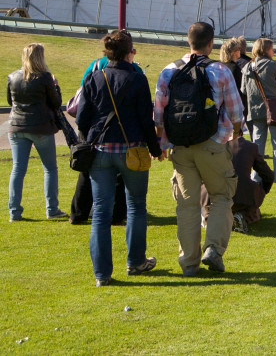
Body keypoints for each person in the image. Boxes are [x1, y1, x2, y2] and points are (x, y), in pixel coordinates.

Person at [154, 21, 243, 276]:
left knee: (187, 205)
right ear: (211, 43)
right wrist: (235, 135)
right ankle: (213, 249)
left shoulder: (169, 71)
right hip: (213, 143)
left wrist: (162, 144)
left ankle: (189, 263)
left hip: (180, 146)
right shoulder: (220, 70)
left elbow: (158, 115)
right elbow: (236, 112)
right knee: (222, 197)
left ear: (188, 41)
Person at [76, 30, 162, 286]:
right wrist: (155, 149)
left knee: (101, 212)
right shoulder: (137, 79)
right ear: (128, 51)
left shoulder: (94, 77)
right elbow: (147, 120)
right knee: (136, 205)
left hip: (100, 149)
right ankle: (135, 261)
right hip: (131, 148)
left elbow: (81, 118)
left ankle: (102, 274)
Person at [70, 44, 145, 226]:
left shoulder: (95, 65)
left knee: (87, 172)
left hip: (95, 130)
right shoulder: (135, 71)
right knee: (120, 176)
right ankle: (117, 215)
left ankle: (79, 213)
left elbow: (83, 93)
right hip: (123, 132)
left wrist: (87, 130)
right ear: (127, 52)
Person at [7, 43, 65, 222]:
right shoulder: (45, 77)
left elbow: (10, 101)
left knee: (18, 169)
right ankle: (51, 209)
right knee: (49, 169)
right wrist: (56, 86)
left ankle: (14, 212)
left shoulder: (13, 76)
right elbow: (56, 103)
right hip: (40, 127)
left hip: (16, 126)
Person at [201, 127, 274, 234]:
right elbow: (267, 175)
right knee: (250, 208)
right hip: (242, 195)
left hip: (213, 195)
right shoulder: (250, 147)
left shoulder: (210, 146)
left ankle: (210, 218)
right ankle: (242, 216)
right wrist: (262, 191)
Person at [242, 37, 276, 183]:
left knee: (257, 144)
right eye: (272, 48)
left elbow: (243, 90)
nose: (273, 51)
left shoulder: (247, 67)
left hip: (255, 110)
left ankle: (256, 175)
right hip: (273, 108)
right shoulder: (272, 65)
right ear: (266, 49)